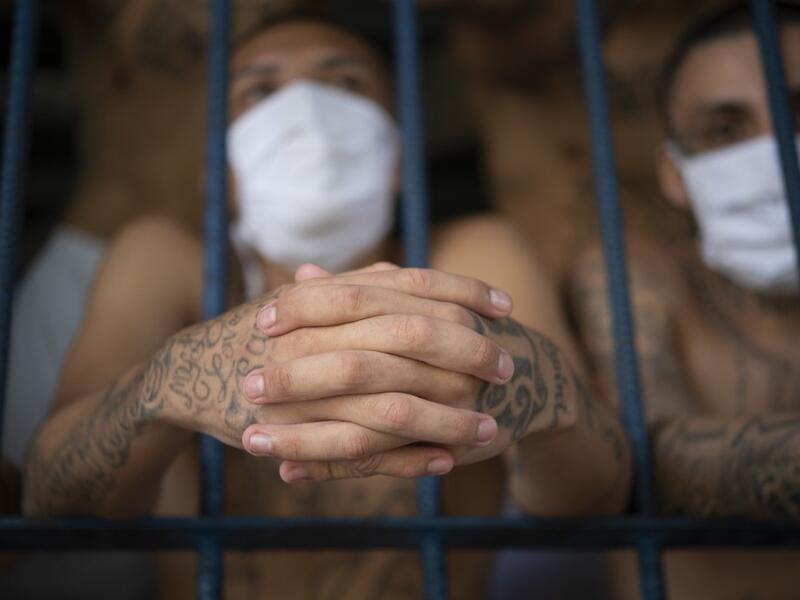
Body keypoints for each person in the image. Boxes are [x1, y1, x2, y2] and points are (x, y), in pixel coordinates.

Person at [21, 11, 630, 599]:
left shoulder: (475, 253)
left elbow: (598, 498)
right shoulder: (167, 261)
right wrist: (168, 380)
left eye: (344, 83)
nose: (306, 109)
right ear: (219, 172)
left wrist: (537, 385)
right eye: (259, 91)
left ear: (396, 156)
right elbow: (52, 498)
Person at [570, 3, 800, 598]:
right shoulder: (633, 273)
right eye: (726, 130)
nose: (777, 153)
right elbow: (644, 459)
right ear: (675, 175)